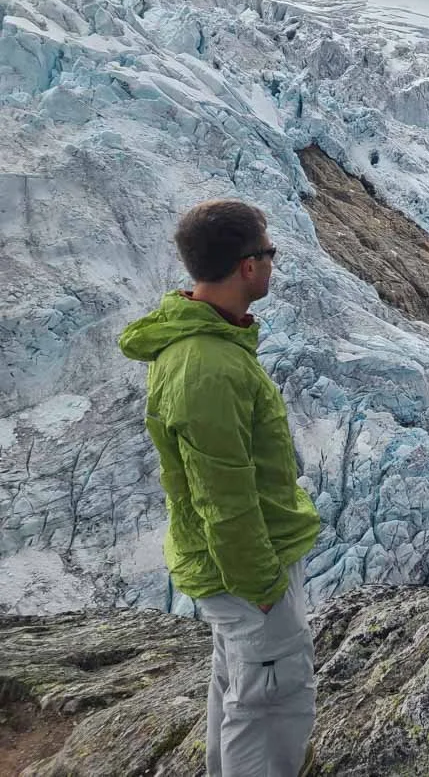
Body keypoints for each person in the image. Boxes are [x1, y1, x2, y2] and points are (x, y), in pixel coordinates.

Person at [119, 199, 321, 776]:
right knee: (269, 704)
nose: (274, 263)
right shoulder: (206, 367)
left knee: (243, 690)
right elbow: (224, 498)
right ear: (247, 266)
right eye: (269, 252)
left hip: (239, 569)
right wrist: (260, 587)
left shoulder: (210, 344)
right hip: (245, 574)